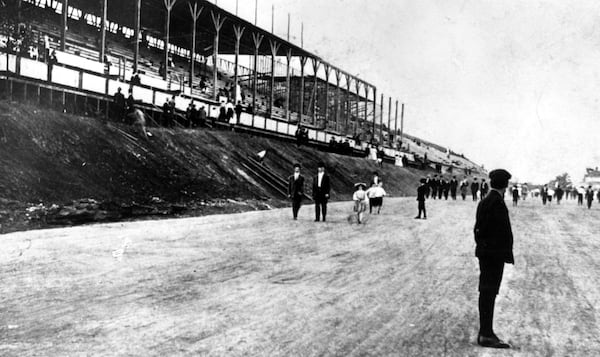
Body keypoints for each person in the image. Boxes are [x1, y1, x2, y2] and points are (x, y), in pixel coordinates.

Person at [474, 169, 513, 349]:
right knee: (489, 293)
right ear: (505, 185)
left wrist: (484, 247)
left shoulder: (484, 201)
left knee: (486, 292)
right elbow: (500, 231)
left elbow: (478, 230)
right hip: (493, 256)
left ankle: (486, 332)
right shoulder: (497, 202)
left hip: (486, 254)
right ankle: (486, 334)